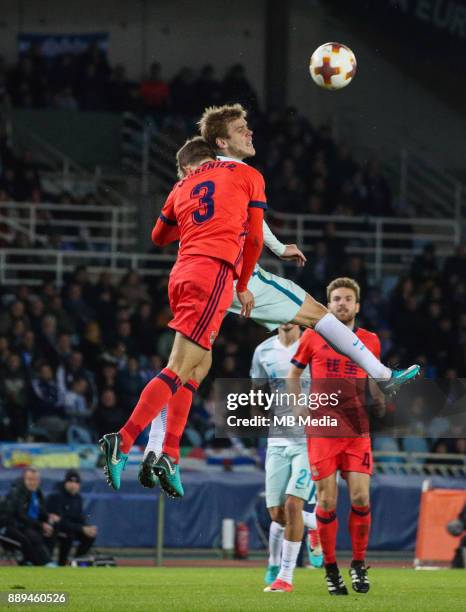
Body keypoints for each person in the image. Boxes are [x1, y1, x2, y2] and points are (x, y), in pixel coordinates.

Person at [139, 104, 419, 497]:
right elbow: (251, 227)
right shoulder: (236, 172)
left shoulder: (194, 182)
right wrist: (247, 277)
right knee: (319, 315)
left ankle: (159, 451)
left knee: (189, 367)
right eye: (242, 128)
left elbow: (187, 229)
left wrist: (277, 244)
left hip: (193, 275)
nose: (250, 132)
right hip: (234, 273)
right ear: (221, 141)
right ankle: (382, 375)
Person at [100, 135, 266, 494]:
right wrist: (243, 283)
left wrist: (189, 218)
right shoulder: (237, 177)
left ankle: (170, 454)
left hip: (184, 272)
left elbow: (158, 236)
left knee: (198, 367)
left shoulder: (181, 187)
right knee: (178, 366)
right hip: (214, 272)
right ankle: (123, 440)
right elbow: (253, 239)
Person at [288, 277, 386, 595]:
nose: (341, 304)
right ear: (328, 305)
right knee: (328, 501)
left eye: (347, 299)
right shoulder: (312, 336)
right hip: (324, 430)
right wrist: (298, 404)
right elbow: (294, 374)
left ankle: (358, 565)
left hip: (357, 429)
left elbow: (371, 375)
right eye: (336, 299)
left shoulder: (371, 340)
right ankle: (331, 568)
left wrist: (379, 397)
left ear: (357, 306)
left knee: (360, 498)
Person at [249, 324, 321, 593]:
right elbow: (257, 386)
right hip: (277, 439)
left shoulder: (314, 345)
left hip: (309, 439)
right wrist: (257, 413)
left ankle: (285, 576)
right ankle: (315, 524)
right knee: (277, 514)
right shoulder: (263, 350)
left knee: (293, 505)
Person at [3, 467, 59, 566]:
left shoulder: (37, 492)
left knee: (53, 531)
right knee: (33, 536)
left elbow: (41, 511)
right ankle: (44, 563)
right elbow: (19, 515)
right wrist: (41, 525)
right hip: (15, 527)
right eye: (29, 479)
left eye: (35, 479)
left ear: (39, 480)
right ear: (24, 479)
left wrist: (48, 517)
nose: (33, 482)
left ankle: (47, 561)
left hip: (30, 525)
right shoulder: (17, 493)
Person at [46, 470, 97, 566]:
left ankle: (76, 561)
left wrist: (87, 528)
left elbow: (80, 518)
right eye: (70, 482)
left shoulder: (78, 498)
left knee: (89, 536)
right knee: (68, 534)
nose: (73, 485)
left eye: (76, 482)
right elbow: (60, 521)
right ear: (65, 482)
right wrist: (81, 528)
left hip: (73, 528)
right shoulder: (56, 496)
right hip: (57, 529)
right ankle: (61, 563)